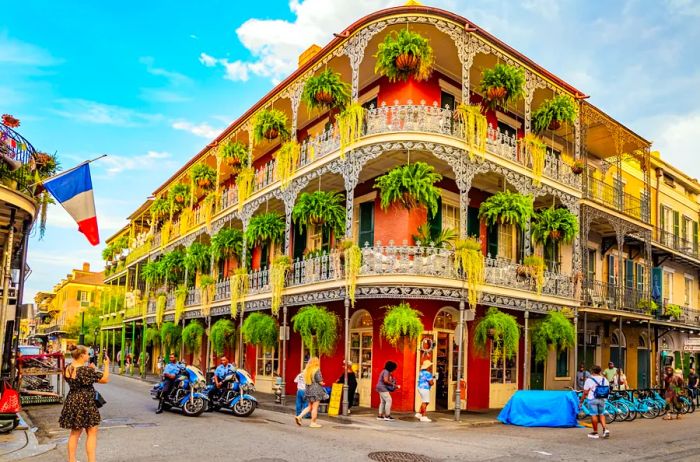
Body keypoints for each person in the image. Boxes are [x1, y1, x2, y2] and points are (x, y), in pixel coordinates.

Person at [59, 345, 110, 462]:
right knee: (92, 432)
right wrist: (106, 365)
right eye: (87, 354)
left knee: (75, 433)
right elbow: (105, 379)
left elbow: (78, 378)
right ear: (82, 355)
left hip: (72, 400)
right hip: (86, 402)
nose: (89, 356)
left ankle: (71, 460)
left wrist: (91, 370)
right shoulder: (85, 370)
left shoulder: (67, 368)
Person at [294, 357, 325, 428]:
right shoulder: (317, 370)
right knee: (315, 407)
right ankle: (313, 422)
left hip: (308, 390)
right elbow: (320, 381)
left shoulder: (306, 371)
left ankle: (299, 416)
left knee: (310, 407)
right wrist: (323, 383)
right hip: (316, 390)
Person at [580, 365, 610, 439]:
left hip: (592, 399)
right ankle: (605, 429)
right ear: (600, 371)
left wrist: (581, 401)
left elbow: (585, 392)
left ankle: (595, 432)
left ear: (592, 371)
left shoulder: (589, 380)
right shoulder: (605, 379)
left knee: (594, 415)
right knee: (601, 414)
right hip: (602, 399)